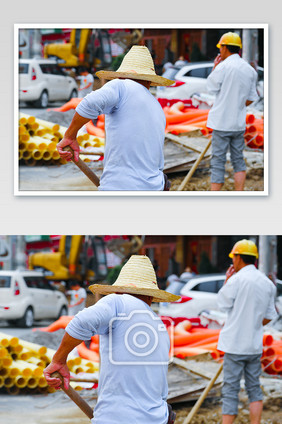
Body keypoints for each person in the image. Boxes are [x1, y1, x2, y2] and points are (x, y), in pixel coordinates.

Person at [43, 255, 180, 424]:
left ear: (118, 289)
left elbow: (81, 322)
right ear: (151, 298)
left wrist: (59, 360)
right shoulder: (159, 325)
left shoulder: (118, 302)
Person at [56, 45, 174, 191]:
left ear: (121, 75)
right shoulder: (157, 106)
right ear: (149, 82)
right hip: (154, 187)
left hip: (120, 187)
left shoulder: (121, 86)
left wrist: (70, 136)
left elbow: (89, 103)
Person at [217, 239, 278, 424]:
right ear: (255, 259)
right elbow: (269, 316)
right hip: (254, 346)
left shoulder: (236, 280)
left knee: (230, 391)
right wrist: (253, 322)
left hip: (234, 345)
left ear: (238, 258)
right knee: (254, 389)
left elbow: (223, 305)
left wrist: (227, 282)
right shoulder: (268, 284)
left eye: (234, 257)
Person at [206, 32, 259, 191]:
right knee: (238, 161)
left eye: (220, 47)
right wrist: (237, 103)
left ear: (224, 47)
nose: (220, 51)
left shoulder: (222, 67)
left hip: (221, 123)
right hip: (238, 124)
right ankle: (239, 194)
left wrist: (215, 69)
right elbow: (251, 98)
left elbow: (211, 88)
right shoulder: (250, 70)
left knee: (217, 163)